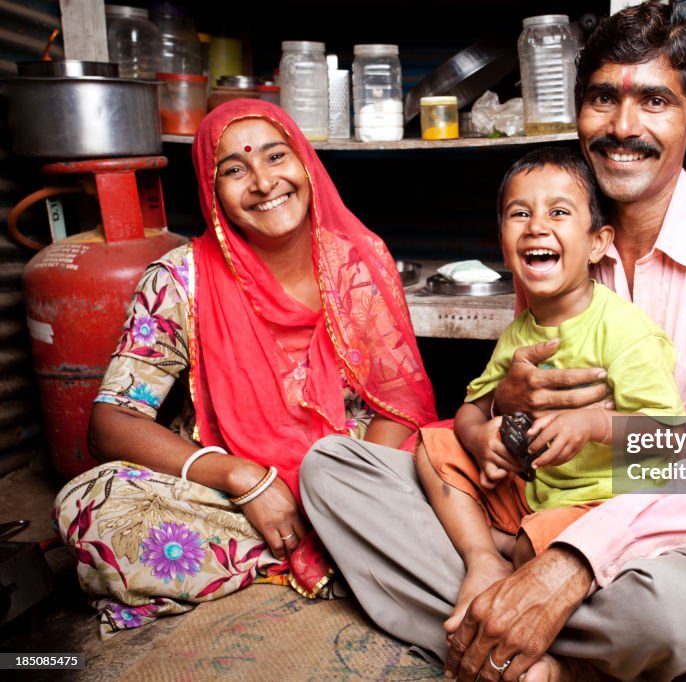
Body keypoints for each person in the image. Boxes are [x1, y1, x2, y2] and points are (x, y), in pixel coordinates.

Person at [301, 1, 686, 679]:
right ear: (578, 114)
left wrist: (572, 566)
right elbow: (506, 409)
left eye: (654, 101)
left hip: (681, 528)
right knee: (333, 471)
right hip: (539, 498)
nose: (623, 126)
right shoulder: (555, 238)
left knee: (666, 616)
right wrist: (500, 414)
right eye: (603, 98)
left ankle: (503, 633)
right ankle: (519, 626)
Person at [51, 99, 436, 638]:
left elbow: (399, 402)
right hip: (233, 497)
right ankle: (335, 556)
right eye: (234, 169)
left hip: (355, 476)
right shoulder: (178, 281)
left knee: (456, 467)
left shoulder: (356, 263)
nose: (263, 182)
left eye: (276, 157)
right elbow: (111, 424)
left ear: (304, 163)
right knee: (93, 505)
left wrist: (349, 491)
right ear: (212, 191)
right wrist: (243, 478)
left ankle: (309, 548)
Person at [415, 147, 685, 633]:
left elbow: (671, 435)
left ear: (598, 242)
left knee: (540, 549)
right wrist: (479, 439)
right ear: (503, 244)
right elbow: (469, 412)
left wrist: (596, 424)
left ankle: (508, 548)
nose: (537, 225)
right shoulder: (519, 332)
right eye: (521, 214)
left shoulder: (625, 332)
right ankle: (485, 555)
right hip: (531, 489)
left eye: (559, 212)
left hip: (598, 504)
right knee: (431, 447)